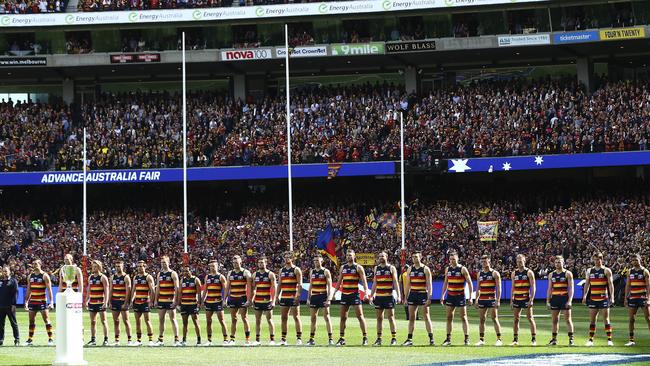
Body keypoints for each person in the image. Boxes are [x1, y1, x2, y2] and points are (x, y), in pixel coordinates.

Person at [333, 249, 369, 346]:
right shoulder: (343, 267)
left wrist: (366, 293)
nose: (349, 257)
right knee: (343, 318)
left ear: (354, 256)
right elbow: (339, 281)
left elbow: (364, 281)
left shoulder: (358, 267)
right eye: (347, 255)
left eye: (350, 255)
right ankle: (342, 338)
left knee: (360, 316)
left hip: (354, 295)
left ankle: (365, 338)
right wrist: (334, 292)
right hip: (344, 295)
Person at [440, 251, 473, 346]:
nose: (452, 261)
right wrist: (442, 295)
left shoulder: (462, 269)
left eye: (453, 259)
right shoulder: (447, 269)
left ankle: (466, 339)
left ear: (457, 259)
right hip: (450, 296)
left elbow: (470, 283)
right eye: (450, 259)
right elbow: (445, 283)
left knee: (463, 317)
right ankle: (448, 339)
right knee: (449, 317)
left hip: (460, 296)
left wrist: (471, 297)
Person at [582, 252, 615, 347]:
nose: (597, 261)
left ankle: (609, 339)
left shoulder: (606, 270)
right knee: (592, 320)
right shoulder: (589, 271)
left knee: (606, 319)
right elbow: (587, 284)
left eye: (599, 259)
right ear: (593, 259)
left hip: (604, 298)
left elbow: (610, 284)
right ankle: (590, 340)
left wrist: (612, 297)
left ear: (602, 259)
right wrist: (584, 295)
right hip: (593, 298)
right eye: (595, 259)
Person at [368, 251, 400, 346]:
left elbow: (395, 282)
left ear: (387, 257)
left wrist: (399, 295)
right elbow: (375, 283)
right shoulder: (376, 268)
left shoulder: (391, 268)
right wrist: (371, 295)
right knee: (379, 318)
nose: (381, 257)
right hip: (379, 296)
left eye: (383, 256)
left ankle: (394, 338)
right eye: (380, 256)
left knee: (391, 317)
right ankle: (379, 339)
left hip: (388, 296)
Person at [402, 251, 434, 346]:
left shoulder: (425, 269)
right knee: (412, 317)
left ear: (420, 257)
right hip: (413, 294)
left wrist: (429, 297)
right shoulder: (410, 269)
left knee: (426, 316)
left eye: (416, 257)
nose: (414, 258)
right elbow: (407, 284)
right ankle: (409, 339)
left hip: (422, 293)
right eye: (413, 257)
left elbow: (429, 284)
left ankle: (431, 338)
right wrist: (405, 298)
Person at [546, 255, 575, 346]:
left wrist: (570, 300)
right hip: (555, 299)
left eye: (559, 262)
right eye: (556, 262)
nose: (557, 264)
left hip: (564, 298)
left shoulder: (568, 273)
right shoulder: (551, 274)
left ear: (563, 263)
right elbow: (550, 289)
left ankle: (571, 339)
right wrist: (548, 301)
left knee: (568, 319)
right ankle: (554, 339)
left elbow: (571, 288)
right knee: (554, 320)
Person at [474, 255, 502, 346]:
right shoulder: (480, 274)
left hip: (491, 299)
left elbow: (499, 288)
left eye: (485, 261)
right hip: (482, 299)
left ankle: (499, 339)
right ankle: (481, 340)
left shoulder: (494, 273)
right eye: (482, 262)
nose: (483, 263)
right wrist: (476, 299)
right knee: (482, 319)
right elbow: (478, 288)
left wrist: (498, 300)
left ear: (489, 261)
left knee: (494, 318)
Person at [276, 251, 303, 346]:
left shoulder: (296, 270)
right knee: (284, 318)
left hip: (293, 297)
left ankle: (299, 338)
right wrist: (277, 296)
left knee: (296, 317)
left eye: (289, 257)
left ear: (292, 259)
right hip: (284, 297)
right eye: (285, 257)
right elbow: (279, 284)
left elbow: (300, 284)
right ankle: (283, 339)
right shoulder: (281, 270)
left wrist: (298, 295)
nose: (287, 258)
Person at [306, 254, 334, 346]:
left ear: (321, 261)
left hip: (323, 296)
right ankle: (311, 339)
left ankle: (330, 339)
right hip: (314, 296)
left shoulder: (326, 271)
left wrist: (329, 298)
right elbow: (310, 285)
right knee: (313, 319)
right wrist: (308, 298)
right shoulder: (312, 272)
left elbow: (330, 286)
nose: (316, 262)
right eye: (314, 261)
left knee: (326, 317)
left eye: (317, 260)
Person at [25, 259, 54, 346]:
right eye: (33, 264)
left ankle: (50, 339)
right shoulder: (30, 276)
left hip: (42, 302)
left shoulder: (45, 276)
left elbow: (49, 290)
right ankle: (30, 340)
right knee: (31, 321)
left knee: (46, 320)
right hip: (33, 302)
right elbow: (29, 290)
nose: (34, 265)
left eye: (36, 264)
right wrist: (26, 302)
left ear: (40, 264)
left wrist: (51, 301)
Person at [510, 254, 537, 346]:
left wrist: (531, 299)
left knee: (530, 318)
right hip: (517, 299)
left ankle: (533, 339)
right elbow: (513, 287)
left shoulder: (529, 272)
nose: (519, 263)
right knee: (516, 319)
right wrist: (511, 299)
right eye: (517, 261)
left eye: (520, 261)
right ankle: (515, 339)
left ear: (524, 261)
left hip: (526, 298)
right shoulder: (514, 273)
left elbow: (533, 287)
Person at [225, 255, 252, 345]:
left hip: (242, 298)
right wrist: (225, 298)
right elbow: (227, 287)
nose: (235, 264)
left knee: (244, 318)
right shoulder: (230, 273)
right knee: (234, 319)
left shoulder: (246, 272)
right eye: (233, 262)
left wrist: (249, 300)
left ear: (241, 262)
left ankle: (247, 339)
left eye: (236, 262)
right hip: (233, 298)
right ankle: (232, 339)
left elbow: (249, 287)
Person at [624, 253, 650, 346]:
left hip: (643, 298)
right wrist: (626, 298)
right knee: (631, 319)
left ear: (640, 260)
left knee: (648, 318)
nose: (635, 262)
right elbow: (628, 285)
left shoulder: (645, 271)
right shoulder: (630, 271)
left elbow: (648, 285)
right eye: (633, 260)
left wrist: (649, 298)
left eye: (636, 260)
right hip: (633, 298)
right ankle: (631, 340)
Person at [154, 255, 180, 346]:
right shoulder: (159, 274)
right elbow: (158, 288)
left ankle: (177, 340)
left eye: (164, 262)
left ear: (169, 263)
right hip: (161, 300)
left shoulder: (173, 273)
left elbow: (177, 288)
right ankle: (160, 340)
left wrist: (175, 301)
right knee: (161, 320)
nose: (163, 264)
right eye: (161, 262)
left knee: (173, 319)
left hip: (170, 300)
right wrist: (156, 300)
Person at [251, 256, 276, 346]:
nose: (261, 264)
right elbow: (253, 288)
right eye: (259, 262)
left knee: (269, 320)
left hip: (267, 301)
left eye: (262, 262)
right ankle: (257, 340)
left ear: (266, 263)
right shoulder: (254, 275)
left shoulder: (270, 274)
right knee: (258, 320)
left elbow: (274, 288)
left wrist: (273, 301)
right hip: (257, 300)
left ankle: (272, 340)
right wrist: (252, 299)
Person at [202, 260, 228, 346]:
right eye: (210, 266)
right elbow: (205, 289)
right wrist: (202, 300)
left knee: (222, 321)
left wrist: (224, 300)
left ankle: (225, 339)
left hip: (218, 302)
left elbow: (225, 289)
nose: (212, 268)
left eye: (213, 266)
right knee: (208, 321)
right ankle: (209, 340)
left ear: (217, 267)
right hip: (209, 302)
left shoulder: (221, 277)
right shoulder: (207, 277)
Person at [129, 260, 155, 346]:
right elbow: (133, 290)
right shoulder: (135, 277)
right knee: (137, 321)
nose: (140, 268)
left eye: (141, 266)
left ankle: (150, 340)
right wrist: (131, 301)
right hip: (137, 301)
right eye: (138, 266)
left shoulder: (148, 277)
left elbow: (152, 290)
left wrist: (151, 301)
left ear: (145, 267)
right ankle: (138, 340)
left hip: (145, 302)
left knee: (147, 321)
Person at [85, 260, 109, 346]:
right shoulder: (90, 277)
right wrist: (87, 300)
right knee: (93, 321)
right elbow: (89, 289)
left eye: (95, 267)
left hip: (100, 302)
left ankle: (106, 339)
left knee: (103, 321)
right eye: (92, 266)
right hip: (92, 302)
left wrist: (105, 302)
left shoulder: (103, 277)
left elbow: (106, 291)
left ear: (99, 267)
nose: (93, 268)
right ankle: (93, 340)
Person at [109, 261, 133, 346]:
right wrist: (110, 301)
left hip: (122, 301)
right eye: (116, 266)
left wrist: (126, 302)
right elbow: (111, 289)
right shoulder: (113, 277)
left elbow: (128, 291)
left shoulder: (126, 277)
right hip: (114, 301)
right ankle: (117, 340)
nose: (117, 268)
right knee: (116, 321)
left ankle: (129, 340)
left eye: (119, 266)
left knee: (126, 321)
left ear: (123, 267)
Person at [178, 266, 202, 346]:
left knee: (196, 322)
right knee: (185, 323)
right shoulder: (182, 280)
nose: (185, 273)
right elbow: (180, 293)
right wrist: (178, 304)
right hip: (184, 304)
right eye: (184, 271)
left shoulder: (195, 279)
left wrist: (199, 304)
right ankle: (184, 340)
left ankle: (199, 340)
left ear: (190, 271)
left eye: (187, 271)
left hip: (193, 304)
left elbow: (199, 293)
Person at [0, 266, 19, 346]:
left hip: (10, 306)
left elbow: (15, 293)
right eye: (3, 271)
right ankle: (1, 339)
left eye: (6, 271)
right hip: (1, 306)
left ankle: (17, 339)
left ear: (9, 272)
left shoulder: (13, 281)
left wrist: (14, 304)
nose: (5, 272)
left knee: (13, 323)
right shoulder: (0, 281)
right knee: (1, 324)